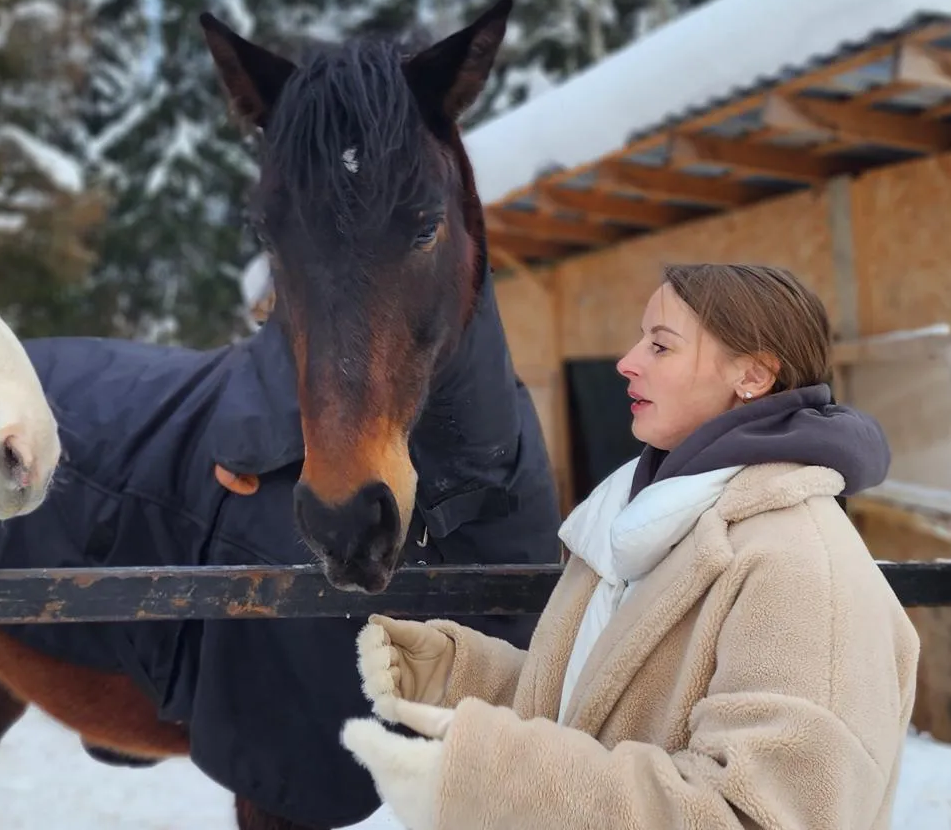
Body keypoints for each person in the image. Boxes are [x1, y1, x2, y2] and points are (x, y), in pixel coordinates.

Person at [338, 262, 920, 830]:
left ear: (753, 376)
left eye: (661, 346)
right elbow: (599, 708)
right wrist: (460, 674)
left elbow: (753, 815)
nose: (626, 362)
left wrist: (497, 781)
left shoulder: (799, 566)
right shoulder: (643, 516)